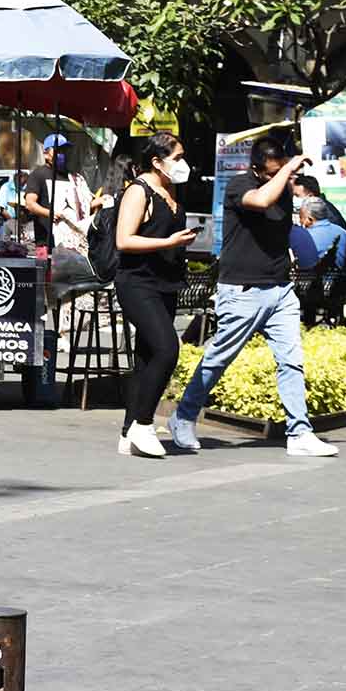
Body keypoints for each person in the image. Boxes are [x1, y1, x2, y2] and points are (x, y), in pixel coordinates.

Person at [171, 132, 339, 458]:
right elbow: (260, 201)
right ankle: (184, 415)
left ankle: (299, 433)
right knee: (219, 358)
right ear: (257, 169)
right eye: (273, 173)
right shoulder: (239, 186)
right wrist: (288, 169)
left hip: (280, 291)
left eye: (284, 174)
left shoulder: (285, 190)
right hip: (243, 291)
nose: (280, 180)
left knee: (291, 361)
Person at [113, 133, 198, 459]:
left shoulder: (169, 189)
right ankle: (143, 424)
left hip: (165, 282)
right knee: (167, 349)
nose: (183, 164)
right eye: (177, 158)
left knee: (147, 357)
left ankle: (127, 432)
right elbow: (124, 240)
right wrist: (170, 243)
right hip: (137, 282)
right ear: (156, 161)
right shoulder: (139, 190)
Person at [22, 134, 91, 251]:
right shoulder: (38, 174)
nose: (62, 154)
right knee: (45, 269)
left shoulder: (73, 177)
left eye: (65, 150)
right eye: (58, 150)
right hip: (45, 242)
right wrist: (49, 213)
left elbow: (84, 205)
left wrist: (101, 201)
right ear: (46, 153)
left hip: (71, 242)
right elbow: (30, 203)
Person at [296, 197, 346, 271]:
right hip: (338, 280)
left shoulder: (302, 236)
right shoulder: (341, 231)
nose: (300, 221)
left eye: (301, 217)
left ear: (309, 219)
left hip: (311, 280)